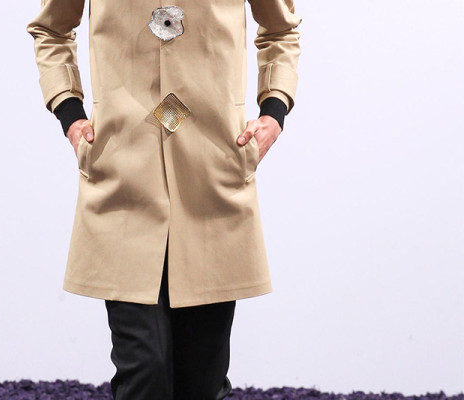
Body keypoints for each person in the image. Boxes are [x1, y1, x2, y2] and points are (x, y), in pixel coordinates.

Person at [26, 0, 302, 398]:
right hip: (123, 175)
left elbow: (281, 30)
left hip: (211, 174)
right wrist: (69, 112)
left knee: (202, 381)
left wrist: (274, 111)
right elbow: (51, 29)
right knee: (145, 372)